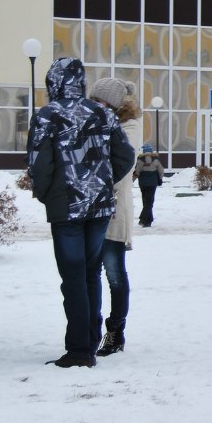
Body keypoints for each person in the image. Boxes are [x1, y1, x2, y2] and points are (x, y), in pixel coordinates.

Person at [28, 58, 135, 368]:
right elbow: (125, 155)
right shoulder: (103, 113)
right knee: (90, 274)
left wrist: (49, 195)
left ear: (54, 82)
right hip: (99, 207)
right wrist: (101, 182)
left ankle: (78, 350)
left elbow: (39, 165)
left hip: (67, 209)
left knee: (73, 278)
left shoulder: (47, 115)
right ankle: (88, 342)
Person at [88, 77, 141, 355]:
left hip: (114, 209)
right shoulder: (93, 122)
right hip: (90, 209)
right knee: (90, 274)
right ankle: (90, 330)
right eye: (92, 101)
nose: (95, 106)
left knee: (114, 273)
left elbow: (122, 163)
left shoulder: (129, 126)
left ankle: (115, 331)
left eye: (100, 101)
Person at [135, 144, 164, 227]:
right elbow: (161, 171)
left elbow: (137, 172)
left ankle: (148, 221)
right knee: (150, 202)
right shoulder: (156, 160)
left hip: (143, 183)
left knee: (145, 201)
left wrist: (132, 180)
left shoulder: (140, 160)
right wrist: (160, 179)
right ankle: (143, 218)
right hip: (152, 183)